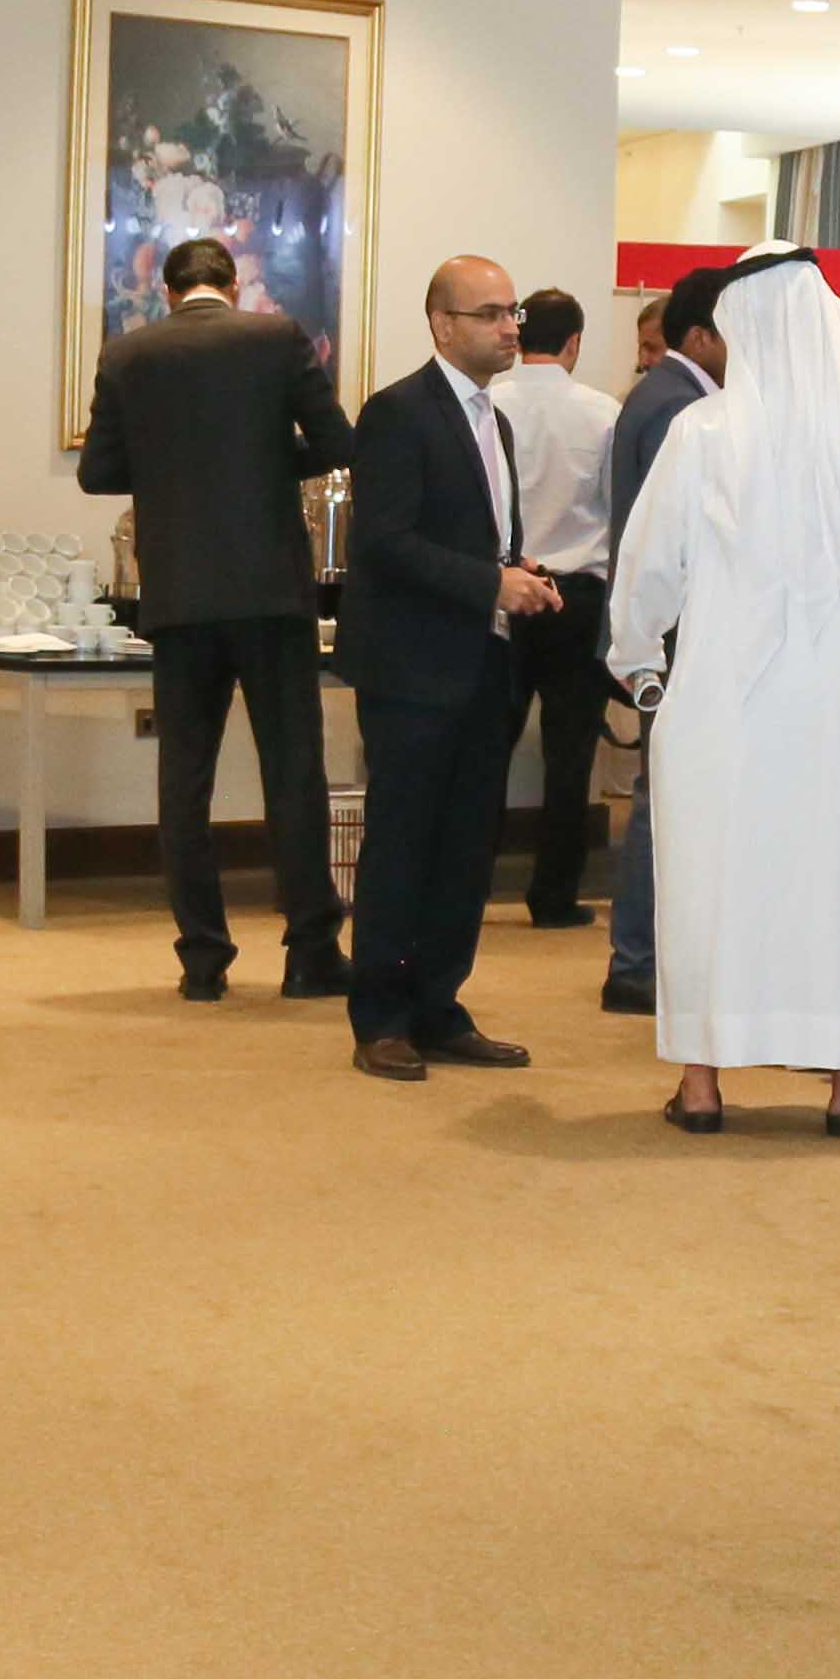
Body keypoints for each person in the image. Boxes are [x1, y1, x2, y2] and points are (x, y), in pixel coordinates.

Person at [611, 250, 840, 1136]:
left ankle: (701, 1086)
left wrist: (637, 656)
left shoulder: (703, 434)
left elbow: (648, 569)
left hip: (725, 707)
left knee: (713, 881)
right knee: (834, 881)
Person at [77, 231, 353, 1002]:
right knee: (293, 772)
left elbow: (98, 472)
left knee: (184, 779)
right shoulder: (277, 336)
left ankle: (202, 957)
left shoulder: (128, 354)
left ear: (169, 293)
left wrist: (171, 468)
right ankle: (310, 951)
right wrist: (267, 458)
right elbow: (337, 442)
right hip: (270, 591)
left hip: (179, 594)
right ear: (232, 286)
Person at [340, 255, 563, 1079]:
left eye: (513, 313)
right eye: (491, 314)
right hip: (410, 669)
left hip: (481, 664)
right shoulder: (398, 412)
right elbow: (384, 543)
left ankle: (439, 1005)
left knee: (467, 848)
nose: (510, 328)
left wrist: (516, 567)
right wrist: (488, 582)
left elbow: (472, 536)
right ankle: (381, 1017)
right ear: (443, 325)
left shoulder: (495, 421)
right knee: (403, 844)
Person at [595, 261, 731, 1019]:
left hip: (667, 629)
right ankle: (639, 962)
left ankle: (644, 958)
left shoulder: (662, 395)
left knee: (664, 793)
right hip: (676, 634)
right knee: (664, 798)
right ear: (704, 335)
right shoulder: (683, 406)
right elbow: (675, 544)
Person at [490, 284, 622, 931]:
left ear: (518, 335)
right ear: (574, 342)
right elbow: (618, 509)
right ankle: (553, 897)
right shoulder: (603, 413)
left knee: (488, 747)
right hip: (577, 598)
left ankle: (465, 882)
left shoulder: (489, 404)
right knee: (569, 759)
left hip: (505, 590)